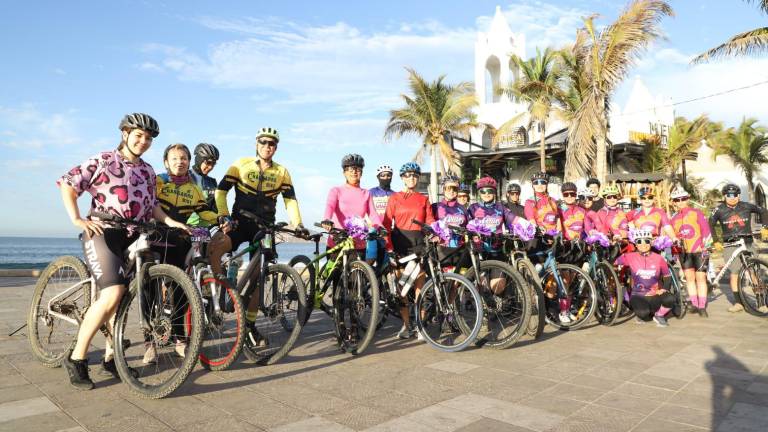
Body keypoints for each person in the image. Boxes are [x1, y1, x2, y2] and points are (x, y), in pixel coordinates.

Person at [57, 113, 189, 390]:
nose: (143, 141)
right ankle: (77, 357)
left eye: (149, 138)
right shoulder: (103, 160)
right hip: (103, 233)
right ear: (126, 133)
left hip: (133, 235)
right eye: (138, 135)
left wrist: (171, 221)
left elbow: (153, 206)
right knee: (113, 293)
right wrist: (77, 219)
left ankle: (111, 358)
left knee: (122, 300)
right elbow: (69, 183)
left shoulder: (148, 171)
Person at [207, 127, 308, 349]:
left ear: (276, 147)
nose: (267, 146)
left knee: (259, 278)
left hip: (265, 227)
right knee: (216, 246)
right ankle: (213, 290)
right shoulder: (240, 164)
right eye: (263, 142)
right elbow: (221, 191)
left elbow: (290, 200)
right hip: (239, 221)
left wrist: (297, 223)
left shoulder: (282, 171)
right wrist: (222, 214)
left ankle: (250, 325)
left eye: (271, 144)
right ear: (256, 144)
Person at [146, 143, 218, 362]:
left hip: (180, 242)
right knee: (149, 287)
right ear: (166, 162)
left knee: (180, 291)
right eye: (175, 158)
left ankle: (179, 338)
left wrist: (221, 219)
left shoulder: (194, 189)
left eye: (184, 158)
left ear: (189, 161)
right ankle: (149, 342)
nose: (180, 162)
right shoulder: (157, 181)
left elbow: (204, 211)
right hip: (155, 240)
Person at [382, 162, 434, 339]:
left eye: (414, 175)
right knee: (402, 287)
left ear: (418, 178)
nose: (411, 178)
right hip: (399, 243)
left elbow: (431, 223)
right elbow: (387, 224)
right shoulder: (395, 198)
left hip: (419, 243)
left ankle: (420, 326)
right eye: (407, 175)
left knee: (420, 287)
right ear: (402, 178)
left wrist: (435, 235)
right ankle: (406, 325)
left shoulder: (423, 199)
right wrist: (388, 247)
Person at [708, 183, 768, 313]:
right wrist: (716, 241)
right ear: (724, 196)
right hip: (730, 244)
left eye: (734, 195)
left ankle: (761, 302)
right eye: (729, 195)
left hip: (747, 242)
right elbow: (711, 223)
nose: (732, 197)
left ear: (738, 195)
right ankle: (738, 303)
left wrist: (765, 227)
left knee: (753, 271)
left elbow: (763, 211)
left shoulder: (746, 206)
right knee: (734, 274)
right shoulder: (719, 210)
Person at [614, 229, 677, 327]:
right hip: (638, 295)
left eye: (647, 241)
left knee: (670, 298)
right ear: (636, 244)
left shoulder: (659, 258)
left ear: (651, 243)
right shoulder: (629, 257)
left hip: (654, 294)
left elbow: (667, 276)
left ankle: (659, 315)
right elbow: (612, 263)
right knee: (644, 314)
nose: (643, 244)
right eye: (639, 241)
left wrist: (664, 289)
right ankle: (644, 313)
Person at [322, 154, 381, 251]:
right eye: (350, 169)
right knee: (335, 266)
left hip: (359, 243)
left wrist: (380, 227)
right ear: (344, 173)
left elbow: (373, 215)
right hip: (338, 240)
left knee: (360, 265)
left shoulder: (366, 193)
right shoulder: (336, 190)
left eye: (357, 169)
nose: (354, 172)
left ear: (361, 173)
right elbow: (330, 206)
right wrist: (327, 219)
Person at [670, 186, 713, 317]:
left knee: (701, 278)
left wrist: (705, 247)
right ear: (674, 202)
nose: (680, 202)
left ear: (688, 199)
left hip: (699, 251)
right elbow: (672, 236)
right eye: (677, 200)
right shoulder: (673, 218)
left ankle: (702, 306)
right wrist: (675, 251)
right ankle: (694, 304)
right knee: (689, 278)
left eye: (683, 199)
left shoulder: (697, 213)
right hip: (684, 253)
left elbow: (706, 231)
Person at [432, 174, 470, 269]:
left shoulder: (463, 209)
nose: (452, 191)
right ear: (443, 189)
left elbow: (469, 227)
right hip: (441, 250)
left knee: (459, 281)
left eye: (455, 189)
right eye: (449, 188)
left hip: (459, 249)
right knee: (444, 281)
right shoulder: (435, 207)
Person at [187, 143, 220, 227]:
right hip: (186, 227)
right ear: (199, 159)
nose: (210, 167)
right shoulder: (184, 177)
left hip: (206, 229)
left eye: (213, 164)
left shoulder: (212, 182)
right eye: (208, 163)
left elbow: (216, 209)